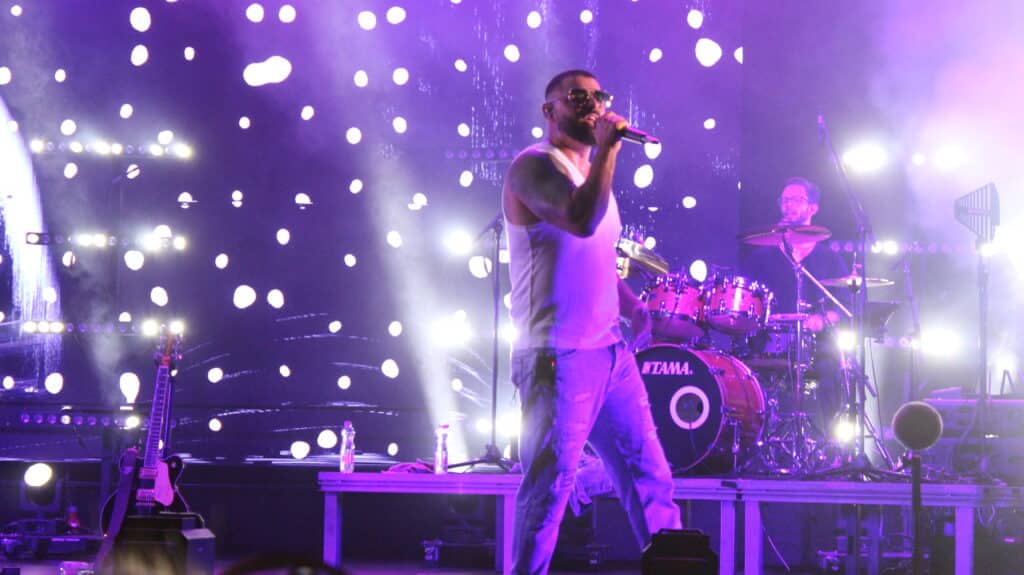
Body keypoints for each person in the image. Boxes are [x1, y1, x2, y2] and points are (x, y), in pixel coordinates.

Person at [502, 69, 681, 574]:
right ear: (549, 111)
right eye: (576, 97)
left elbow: (596, 258)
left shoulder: (593, 173)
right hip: (557, 354)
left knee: (650, 478)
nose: (592, 105)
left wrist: (632, 305)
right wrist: (607, 150)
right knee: (550, 489)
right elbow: (580, 221)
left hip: (609, 353)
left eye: (598, 96)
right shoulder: (532, 166)